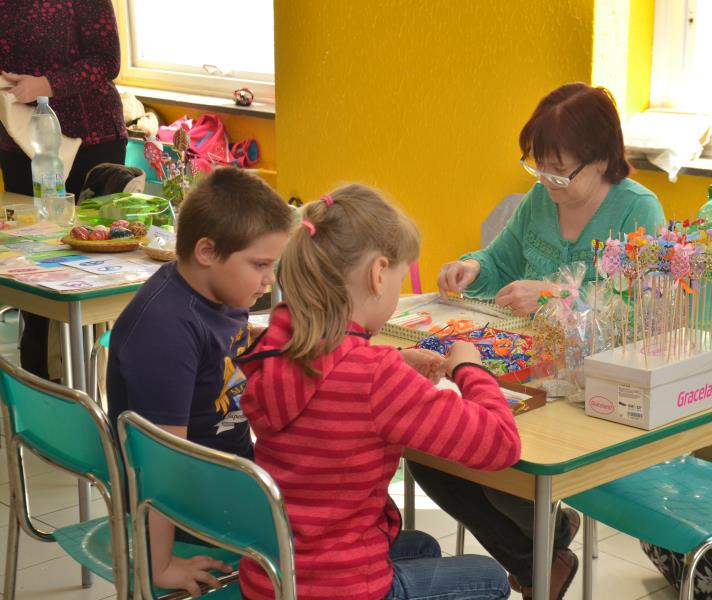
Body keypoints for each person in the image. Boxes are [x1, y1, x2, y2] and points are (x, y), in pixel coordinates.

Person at [411, 82, 667, 600]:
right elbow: (500, 261)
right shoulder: (540, 199)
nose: (547, 181)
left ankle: (541, 556)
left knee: (497, 462)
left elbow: (643, 310)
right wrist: (470, 267)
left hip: (595, 386)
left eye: (560, 170)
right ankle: (541, 560)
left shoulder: (638, 211)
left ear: (601, 159)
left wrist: (554, 294)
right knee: (429, 452)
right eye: (539, 167)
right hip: (527, 371)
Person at [236, 184, 521, 600]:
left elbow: (333, 372)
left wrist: (397, 360)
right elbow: (501, 444)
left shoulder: (281, 338)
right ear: (378, 274)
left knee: (422, 547)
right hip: (341, 587)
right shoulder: (375, 377)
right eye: (401, 278)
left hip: (272, 576)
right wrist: (470, 368)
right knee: (490, 578)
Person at [107, 168, 294, 595]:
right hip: (194, 513)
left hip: (228, 482)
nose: (270, 279)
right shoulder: (165, 330)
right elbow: (160, 462)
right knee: (358, 537)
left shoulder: (218, 292)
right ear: (207, 251)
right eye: (260, 265)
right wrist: (160, 566)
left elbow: (229, 349)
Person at [0, 0, 128, 380]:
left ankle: (97, 378)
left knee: (95, 263)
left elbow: (107, 61)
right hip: (21, 143)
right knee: (32, 267)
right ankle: (44, 382)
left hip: (91, 138)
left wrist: (45, 86)